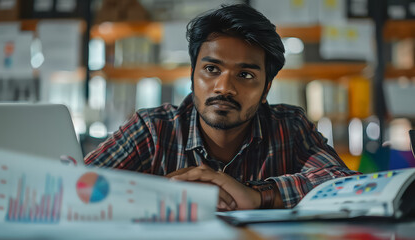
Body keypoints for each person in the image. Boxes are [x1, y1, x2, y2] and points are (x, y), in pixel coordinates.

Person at [85, 4, 358, 211]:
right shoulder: (152, 130)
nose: (224, 87)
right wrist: (163, 194)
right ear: (193, 76)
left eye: (245, 75)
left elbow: (345, 184)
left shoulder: (289, 126)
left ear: (266, 89)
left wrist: (258, 194)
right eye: (211, 69)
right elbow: (73, 186)